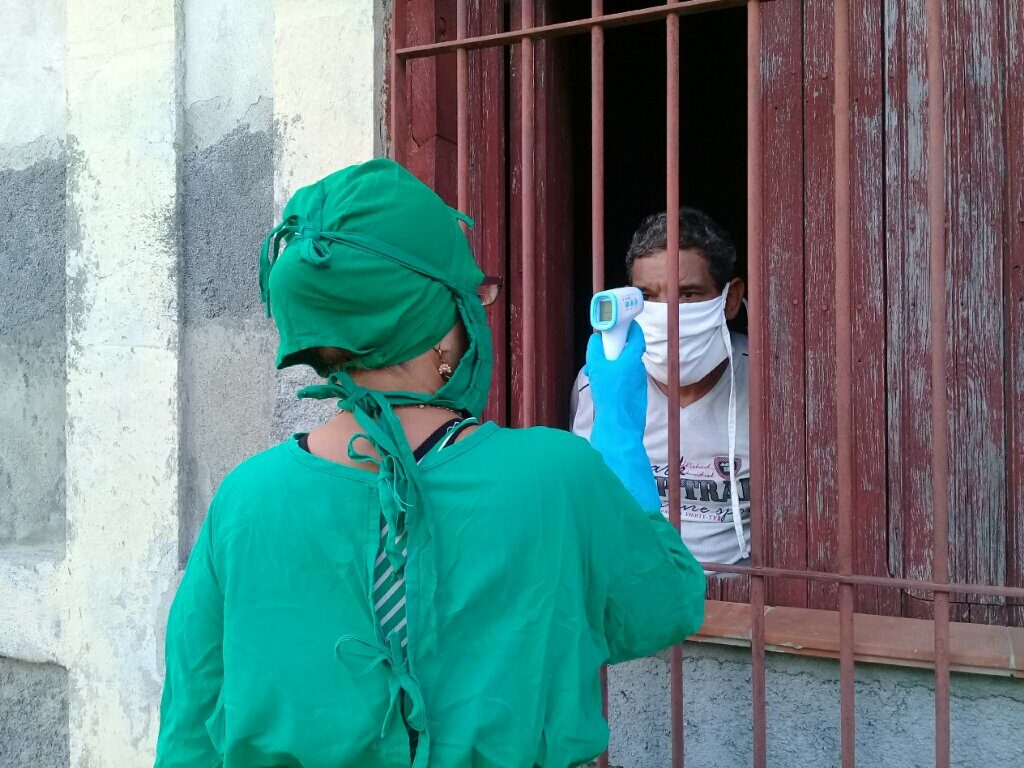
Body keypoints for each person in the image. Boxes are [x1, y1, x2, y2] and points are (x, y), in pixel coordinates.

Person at [155, 159, 705, 768]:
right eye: (472, 296)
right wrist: (623, 435)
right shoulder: (559, 476)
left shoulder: (245, 499)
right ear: (441, 333)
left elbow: (190, 727)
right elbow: (667, 604)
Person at [571, 207, 752, 567]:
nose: (666, 312)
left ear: (730, 299)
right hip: (637, 598)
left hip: (745, 602)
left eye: (686, 294)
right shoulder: (599, 383)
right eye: (648, 297)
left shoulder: (770, 382)